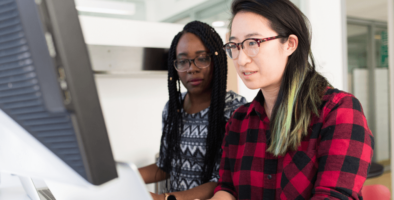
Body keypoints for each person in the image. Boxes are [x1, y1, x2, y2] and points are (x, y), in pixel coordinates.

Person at [208, 0, 374, 199]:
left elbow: (334, 195)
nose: (241, 59)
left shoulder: (338, 111)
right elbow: (227, 189)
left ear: (290, 44)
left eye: (253, 43)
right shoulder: (239, 120)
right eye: (235, 45)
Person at [138, 21, 247, 200]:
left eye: (202, 58)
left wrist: (164, 198)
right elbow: (165, 167)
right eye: (182, 61)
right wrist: (122, 176)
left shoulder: (235, 110)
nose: (192, 69)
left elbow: (224, 181)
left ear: (216, 60)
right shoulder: (173, 109)